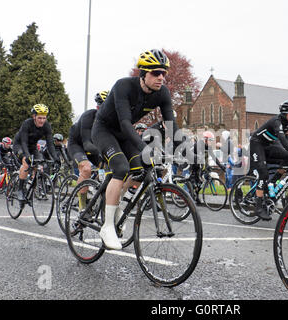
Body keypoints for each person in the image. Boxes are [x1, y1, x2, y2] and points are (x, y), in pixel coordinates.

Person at [91, 49, 180, 250]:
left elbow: (171, 124)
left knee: (140, 171)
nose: (161, 78)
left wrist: (178, 149)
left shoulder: (162, 93)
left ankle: (117, 205)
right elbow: (124, 123)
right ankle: (107, 227)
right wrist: (144, 148)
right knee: (121, 168)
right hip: (105, 130)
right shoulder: (123, 86)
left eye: (164, 73)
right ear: (143, 74)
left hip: (125, 134)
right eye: (156, 73)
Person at [249, 100, 288, 220]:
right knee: (263, 173)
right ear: (285, 114)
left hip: (268, 145)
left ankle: (272, 182)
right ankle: (258, 206)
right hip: (257, 144)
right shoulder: (277, 122)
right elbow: (283, 141)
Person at [68, 90, 109, 210]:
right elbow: (87, 144)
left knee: (110, 167)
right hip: (78, 145)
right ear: (98, 107)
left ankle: (94, 189)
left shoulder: (110, 121)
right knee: (86, 169)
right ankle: (82, 205)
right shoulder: (88, 116)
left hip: (94, 147)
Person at [13, 104, 61, 201]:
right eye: (39, 118)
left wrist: (56, 158)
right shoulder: (27, 123)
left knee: (40, 167)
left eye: (44, 118)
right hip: (20, 145)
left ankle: (32, 191)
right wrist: (26, 156)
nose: (42, 120)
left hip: (33, 147)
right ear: (34, 116)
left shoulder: (46, 126)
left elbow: (50, 144)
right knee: (26, 163)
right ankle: (20, 190)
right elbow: (24, 142)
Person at [185, 131, 226, 204]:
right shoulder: (199, 144)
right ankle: (187, 194)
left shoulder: (208, 146)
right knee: (195, 181)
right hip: (192, 163)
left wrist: (221, 166)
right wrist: (205, 167)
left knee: (201, 182)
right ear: (205, 139)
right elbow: (200, 159)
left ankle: (196, 196)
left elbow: (213, 157)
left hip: (200, 164)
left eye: (212, 140)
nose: (211, 142)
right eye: (210, 140)